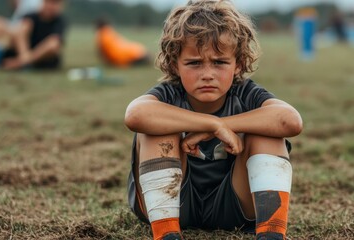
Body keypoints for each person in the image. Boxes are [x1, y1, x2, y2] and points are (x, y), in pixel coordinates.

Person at [124, 1, 303, 240]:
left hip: (234, 208)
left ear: (238, 64)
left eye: (219, 62)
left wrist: (227, 124)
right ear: (175, 64)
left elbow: (290, 121)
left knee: (267, 132)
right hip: (171, 206)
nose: (207, 74)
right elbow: (136, 115)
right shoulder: (169, 94)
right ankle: (167, 234)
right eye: (194, 63)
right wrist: (213, 125)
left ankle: (271, 234)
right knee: (156, 128)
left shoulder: (245, 93)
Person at [0, 0, 66, 70]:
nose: (51, 7)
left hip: (42, 60)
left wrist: (21, 61)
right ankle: (24, 61)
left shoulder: (59, 21)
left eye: (55, 4)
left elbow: (54, 43)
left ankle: (23, 63)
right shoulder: (31, 17)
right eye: (50, 3)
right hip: (24, 52)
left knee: (53, 44)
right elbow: (19, 32)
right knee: (22, 28)